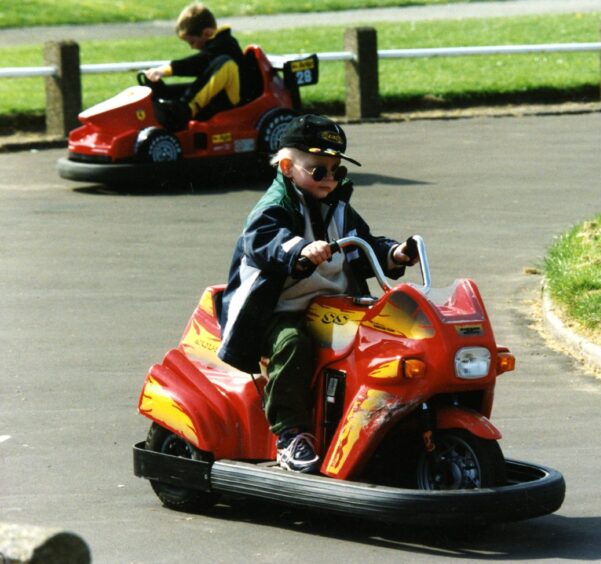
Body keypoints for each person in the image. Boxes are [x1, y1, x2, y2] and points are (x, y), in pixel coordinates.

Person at [217, 114, 416, 473]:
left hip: (333, 308)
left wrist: (395, 253)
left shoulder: (338, 206)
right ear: (288, 167)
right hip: (278, 310)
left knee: (382, 339)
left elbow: (362, 245)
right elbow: (263, 242)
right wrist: (297, 250)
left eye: (335, 171)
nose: (329, 180)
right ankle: (290, 434)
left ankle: (377, 423)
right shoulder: (274, 207)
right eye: (318, 171)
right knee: (293, 343)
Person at [142, 2, 260, 130]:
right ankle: (161, 98)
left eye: (192, 42)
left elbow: (198, 63)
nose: (192, 47)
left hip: (233, 99)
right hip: (220, 94)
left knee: (225, 63)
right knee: (181, 90)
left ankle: (186, 110)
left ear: (207, 33)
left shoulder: (226, 44)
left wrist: (166, 70)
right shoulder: (215, 47)